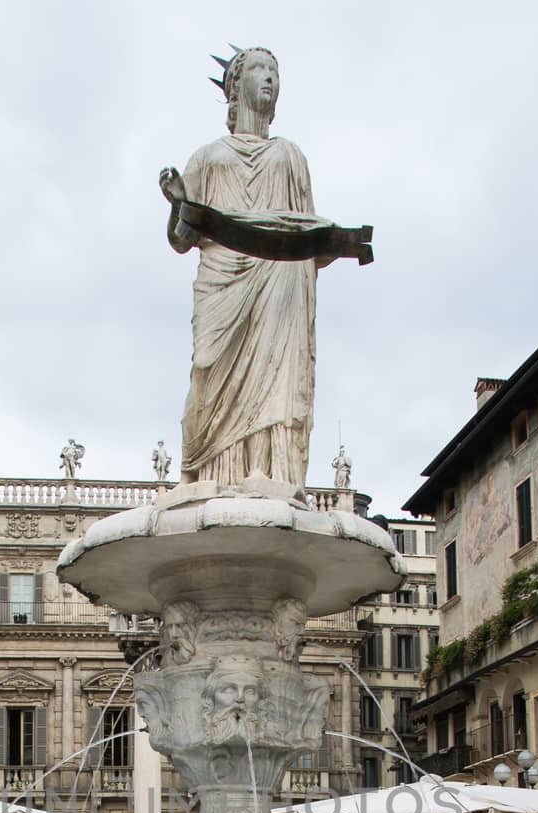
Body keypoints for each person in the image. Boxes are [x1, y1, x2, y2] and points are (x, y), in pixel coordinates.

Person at [160, 48, 367, 488]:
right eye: (258, 69)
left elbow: (310, 239)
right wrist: (179, 204)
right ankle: (201, 473)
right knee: (207, 371)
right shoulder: (208, 157)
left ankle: (265, 472)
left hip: (280, 280)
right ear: (234, 86)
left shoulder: (290, 157)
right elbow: (181, 239)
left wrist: (335, 239)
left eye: (274, 70)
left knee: (275, 376)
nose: (269, 77)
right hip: (223, 279)